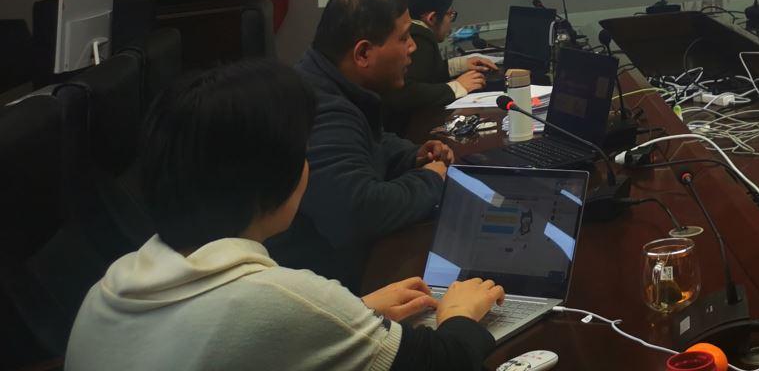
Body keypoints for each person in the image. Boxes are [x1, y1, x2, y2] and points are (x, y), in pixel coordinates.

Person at [65, 59, 504, 371]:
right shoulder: (277, 299)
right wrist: (460, 314)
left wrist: (353, 312)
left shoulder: (109, 286)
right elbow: (445, 362)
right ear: (276, 175)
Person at [269, 0, 452, 289]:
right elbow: (360, 213)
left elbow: (371, 141)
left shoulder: (323, 79)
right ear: (363, 53)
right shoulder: (323, 111)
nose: (413, 47)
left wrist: (412, 155)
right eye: (404, 37)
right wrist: (431, 179)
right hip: (322, 284)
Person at [382, 0, 500, 133]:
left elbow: (424, 72)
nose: (411, 46)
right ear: (431, 18)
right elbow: (406, 92)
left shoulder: (413, 31)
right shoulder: (420, 36)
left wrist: (459, 65)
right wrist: (456, 87)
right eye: (450, 14)